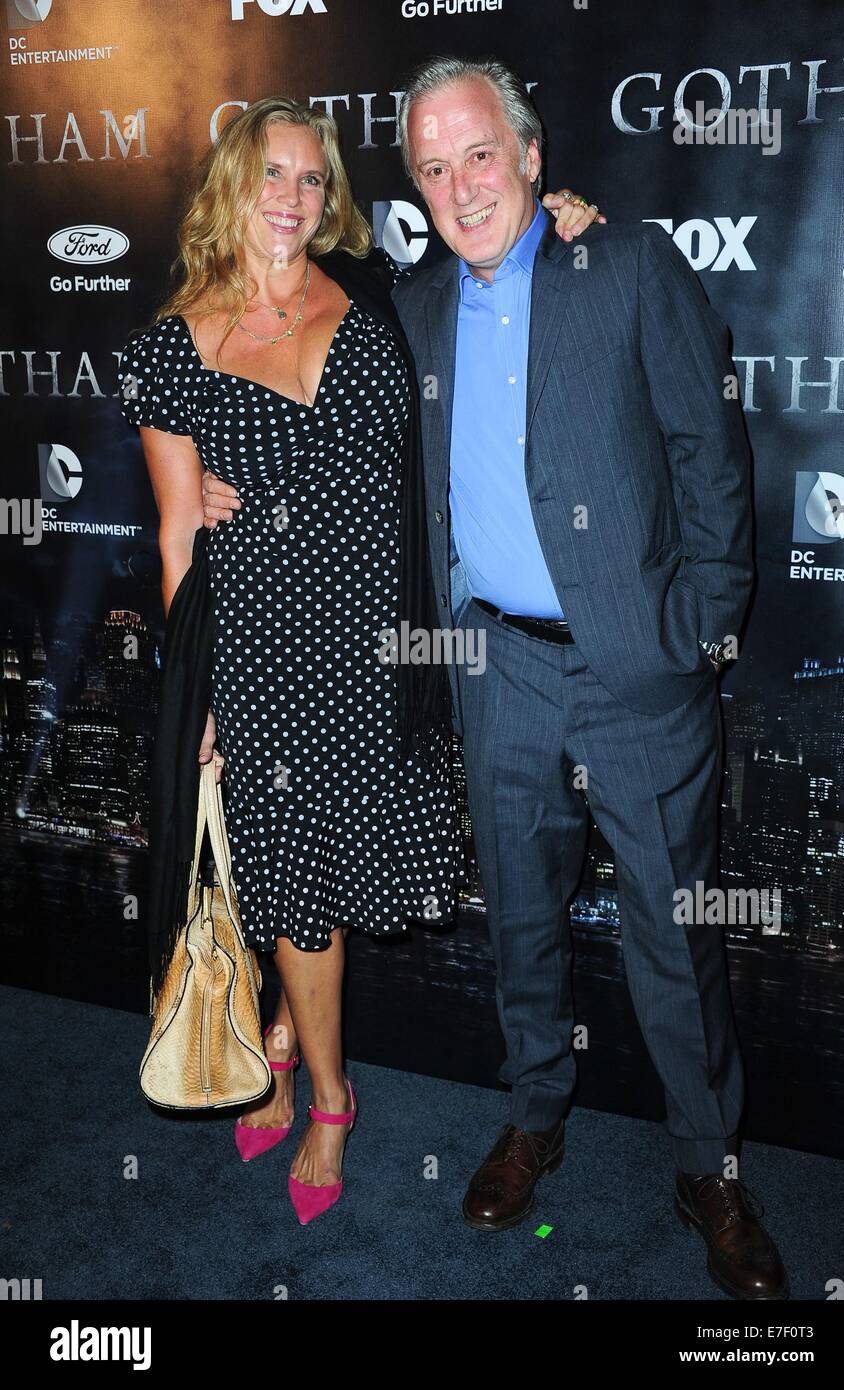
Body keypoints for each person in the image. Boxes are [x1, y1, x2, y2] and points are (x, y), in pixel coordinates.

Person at [206, 55, 790, 1299]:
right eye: (431, 164)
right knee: (521, 917)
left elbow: (712, 452)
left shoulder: (627, 265)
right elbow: (298, 392)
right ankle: (535, 1117)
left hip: (640, 671)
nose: (460, 183)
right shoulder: (405, 311)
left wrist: (696, 628)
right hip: (498, 672)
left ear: (531, 158)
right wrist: (222, 486)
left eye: (481, 153)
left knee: (676, 937)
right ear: (411, 184)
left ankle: (710, 1168)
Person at [118, 94, 598, 1226]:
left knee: (330, 872)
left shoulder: (381, 290)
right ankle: (330, 1097)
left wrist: (569, 219)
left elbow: (498, 274)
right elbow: (179, 534)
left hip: (379, 647)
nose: (291, 199)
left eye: (310, 178)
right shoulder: (168, 351)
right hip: (262, 655)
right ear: (230, 188)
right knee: (293, 889)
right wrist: (198, 701)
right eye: (270, 175)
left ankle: (288, 1041)